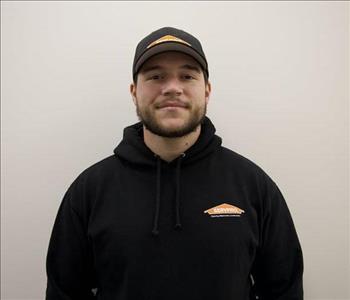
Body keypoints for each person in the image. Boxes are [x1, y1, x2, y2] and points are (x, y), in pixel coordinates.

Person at [45, 27, 304, 300]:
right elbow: (65, 292)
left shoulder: (253, 185)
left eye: (187, 75)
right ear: (134, 92)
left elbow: (283, 289)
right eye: (156, 76)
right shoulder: (90, 190)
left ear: (206, 90)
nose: (172, 88)